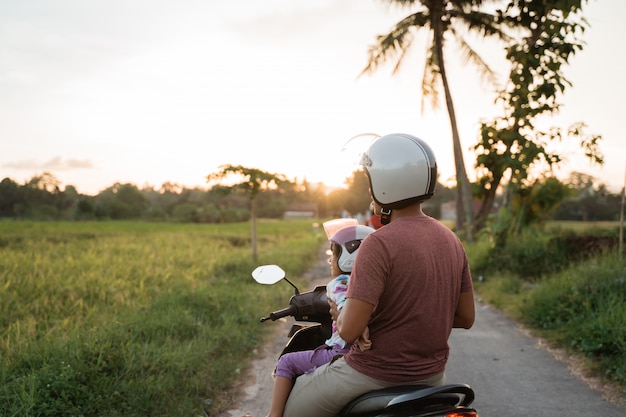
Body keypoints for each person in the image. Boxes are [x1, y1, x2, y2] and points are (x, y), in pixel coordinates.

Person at [281, 133, 476, 417]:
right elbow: (465, 318)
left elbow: (348, 331)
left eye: (370, 181)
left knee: (290, 411)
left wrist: (339, 311)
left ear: (384, 184)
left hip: (372, 374)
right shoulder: (451, 240)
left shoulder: (378, 243)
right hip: (433, 378)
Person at [264, 223, 375, 417]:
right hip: (371, 355)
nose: (331, 260)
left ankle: (273, 415)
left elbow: (344, 305)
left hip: (341, 352)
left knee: (287, 362)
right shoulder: (375, 283)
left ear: (349, 256)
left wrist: (357, 327)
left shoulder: (340, 284)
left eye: (334, 253)